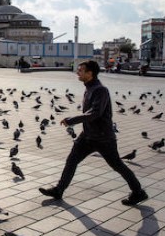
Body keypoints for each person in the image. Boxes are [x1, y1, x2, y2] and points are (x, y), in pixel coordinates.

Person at [39, 60, 148, 206]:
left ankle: (138, 192)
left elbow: (95, 113)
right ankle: (59, 189)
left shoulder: (100, 90)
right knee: (72, 160)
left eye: (81, 70)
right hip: (88, 135)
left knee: (117, 165)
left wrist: (72, 120)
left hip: (103, 138)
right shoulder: (89, 88)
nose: (78, 72)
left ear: (90, 73)